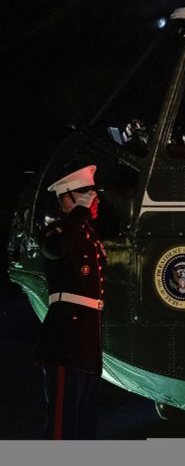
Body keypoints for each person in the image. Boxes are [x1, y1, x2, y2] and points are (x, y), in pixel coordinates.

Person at [35, 164, 107, 439]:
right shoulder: (55, 233)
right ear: (68, 197)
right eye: (86, 194)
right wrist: (79, 211)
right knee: (63, 424)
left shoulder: (89, 237)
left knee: (84, 426)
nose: (93, 200)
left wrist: (81, 212)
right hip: (67, 339)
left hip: (87, 343)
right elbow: (56, 248)